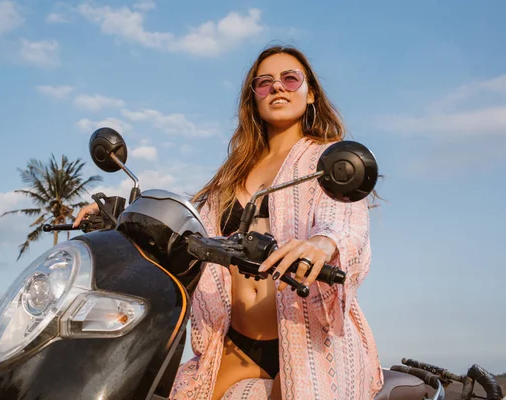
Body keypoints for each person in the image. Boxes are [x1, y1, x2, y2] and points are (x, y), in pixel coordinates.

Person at [74, 45, 384, 400]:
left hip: (309, 336)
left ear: (310, 92)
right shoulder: (232, 175)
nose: (278, 88)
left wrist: (323, 243)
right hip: (236, 341)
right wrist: (115, 216)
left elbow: (344, 219)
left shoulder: (326, 161)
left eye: (290, 78)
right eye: (264, 83)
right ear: (254, 98)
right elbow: (188, 229)